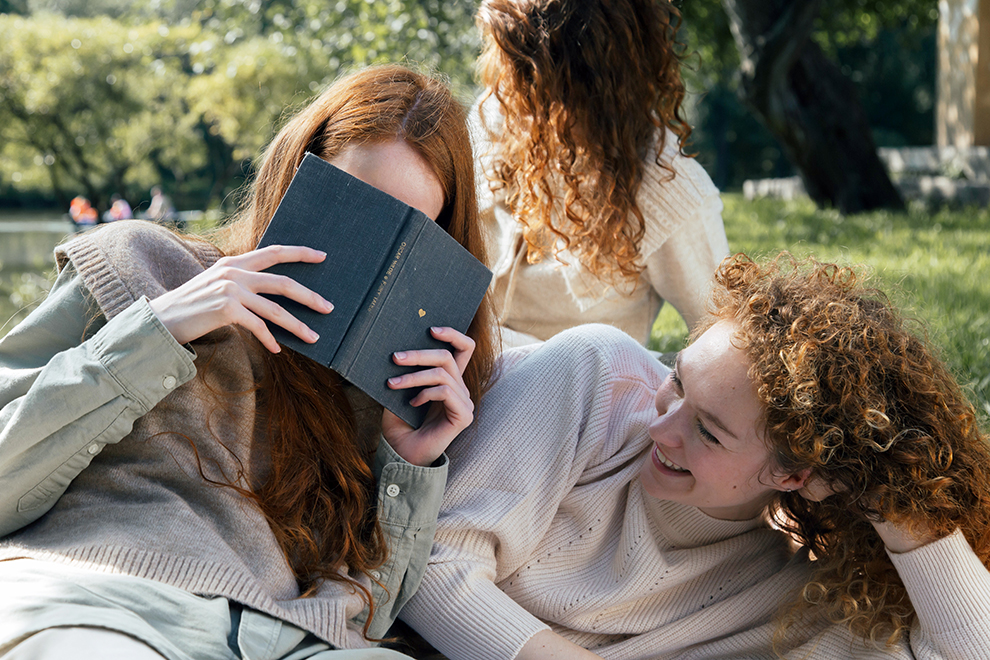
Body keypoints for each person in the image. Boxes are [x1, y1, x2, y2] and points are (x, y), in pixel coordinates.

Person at [0, 64, 496, 659]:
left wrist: (410, 465)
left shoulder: (385, 385)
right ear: (295, 178)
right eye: (354, 207)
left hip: (280, 640)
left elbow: (365, 616)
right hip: (102, 601)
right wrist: (160, 329)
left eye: (408, 231)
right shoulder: (143, 263)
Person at [399, 254, 990, 659]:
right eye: (678, 380)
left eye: (708, 432)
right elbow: (428, 562)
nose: (661, 427)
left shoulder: (797, 586)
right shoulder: (595, 379)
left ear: (794, 473)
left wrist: (901, 505)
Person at [473, 0, 729, 350]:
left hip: (571, 393)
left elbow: (725, 343)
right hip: (452, 372)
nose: (512, 88)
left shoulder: (669, 187)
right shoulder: (496, 119)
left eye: (529, 72)